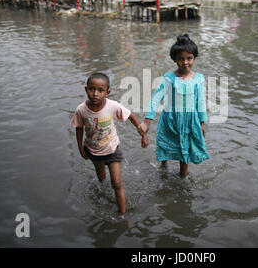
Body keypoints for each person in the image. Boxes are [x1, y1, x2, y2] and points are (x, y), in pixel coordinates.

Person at [71, 73, 148, 214]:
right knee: (101, 175)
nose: (95, 93)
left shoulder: (112, 106)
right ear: (86, 89)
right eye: (91, 89)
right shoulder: (81, 110)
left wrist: (141, 131)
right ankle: (103, 192)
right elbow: (79, 128)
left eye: (100, 90)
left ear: (108, 92)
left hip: (112, 149)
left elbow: (130, 115)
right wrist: (81, 149)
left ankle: (122, 214)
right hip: (93, 150)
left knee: (117, 183)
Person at [139, 34, 210, 178]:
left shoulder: (198, 80)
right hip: (170, 120)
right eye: (181, 59)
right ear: (175, 60)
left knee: (185, 151)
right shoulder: (169, 78)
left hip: (189, 121)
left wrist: (202, 123)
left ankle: (182, 179)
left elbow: (200, 102)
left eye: (189, 58)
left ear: (194, 58)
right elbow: (156, 98)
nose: (185, 62)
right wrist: (147, 122)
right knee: (165, 144)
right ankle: (163, 167)